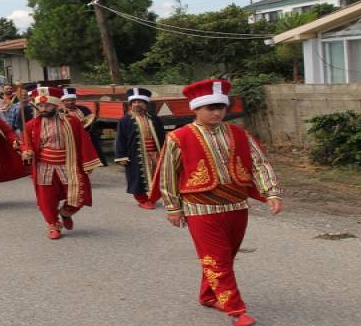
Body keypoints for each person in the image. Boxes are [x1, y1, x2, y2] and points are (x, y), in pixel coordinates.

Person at [148, 79, 283, 326]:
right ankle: (236, 311)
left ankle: (208, 296)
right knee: (217, 258)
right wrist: (173, 207)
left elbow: (259, 162)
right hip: (200, 208)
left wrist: (271, 192)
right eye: (210, 107)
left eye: (221, 107)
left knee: (224, 257)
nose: (217, 112)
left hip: (236, 205)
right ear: (196, 109)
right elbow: (168, 173)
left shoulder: (239, 133)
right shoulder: (179, 137)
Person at [21, 87, 101, 240]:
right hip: (44, 166)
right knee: (47, 200)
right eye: (41, 106)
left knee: (80, 197)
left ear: (57, 105)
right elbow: (26, 142)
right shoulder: (32, 125)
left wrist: (88, 163)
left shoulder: (72, 122)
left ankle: (65, 213)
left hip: (69, 164)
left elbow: (84, 142)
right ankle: (53, 225)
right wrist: (26, 150)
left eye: (48, 106)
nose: (44, 109)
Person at [114, 87, 165, 209]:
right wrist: (121, 156)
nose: (137, 104)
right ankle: (142, 200)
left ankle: (153, 198)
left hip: (154, 154)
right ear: (131, 104)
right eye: (134, 102)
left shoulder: (155, 119)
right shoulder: (124, 121)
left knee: (159, 177)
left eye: (140, 102)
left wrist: (166, 152)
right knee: (137, 178)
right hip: (135, 155)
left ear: (146, 104)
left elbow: (162, 137)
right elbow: (120, 139)